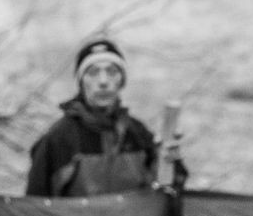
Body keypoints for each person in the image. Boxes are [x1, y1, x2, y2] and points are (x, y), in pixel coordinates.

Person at [25, 37, 184, 197]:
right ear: (81, 82)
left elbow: (167, 196)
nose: (103, 81)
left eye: (112, 71)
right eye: (93, 72)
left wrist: (170, 163)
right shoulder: (57, 140)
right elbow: (35, 212)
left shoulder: (138, 135)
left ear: (121, 81)